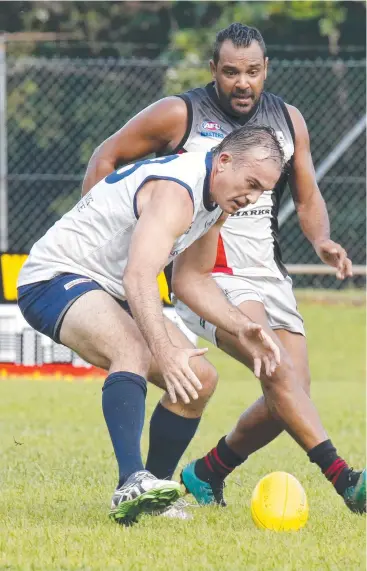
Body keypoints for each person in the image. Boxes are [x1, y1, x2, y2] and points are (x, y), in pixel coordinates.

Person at [82, 22, 365, 515]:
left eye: (252, 71)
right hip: (207, 273)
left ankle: (207, 471)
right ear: (213, 69)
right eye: (231, 71)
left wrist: (320, 239)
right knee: (277, 371)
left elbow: (307, 192)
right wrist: (109, 235)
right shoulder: (179, 115)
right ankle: (346, 480)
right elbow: (106, 157)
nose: (242, 82)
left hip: (269, 273)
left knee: (292, 396)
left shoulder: (288, 119)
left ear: (265, 70)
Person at [17, 126, 284, 525]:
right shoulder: (178, 191)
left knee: (200, 380)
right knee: (136, 351)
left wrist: (241, 324)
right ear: (224, 161)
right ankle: (130, 481)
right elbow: (138, 277)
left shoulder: (217, 199)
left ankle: (153, 492)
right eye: (251, 183)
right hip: (55, 277)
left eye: (262, 190)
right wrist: (163, 349)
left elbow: (191, 280)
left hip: (112, 287)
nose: (251, 198)